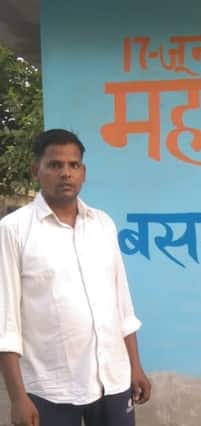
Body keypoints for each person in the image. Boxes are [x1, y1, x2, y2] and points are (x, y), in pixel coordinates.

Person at [0, 129, 151, 426]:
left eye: (73, 165)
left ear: (84, 172)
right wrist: (17, 398)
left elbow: (122, 304)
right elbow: (6, 321)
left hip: (113, 380)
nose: (65, 173)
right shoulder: (13, 230)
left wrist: (135, 366)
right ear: (36, 170)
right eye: (55, 165)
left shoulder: (102, 224)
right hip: (49, 388)